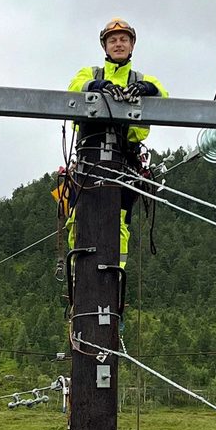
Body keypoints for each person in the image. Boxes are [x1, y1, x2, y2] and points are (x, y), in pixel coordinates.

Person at [64, 18, 168, 268]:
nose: (118, 44)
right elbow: (74, 88)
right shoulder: (90, 73)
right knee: (78, 220)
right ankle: (80, 275)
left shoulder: (142, 78)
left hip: (125, 160)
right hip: (89, 162)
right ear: (105, 46)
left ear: (132, 46)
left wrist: (145, 89)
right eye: (113, 40)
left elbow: (163, 96)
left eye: (123, 40)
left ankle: (113, 274)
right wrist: (101, 87)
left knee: (118, 222)